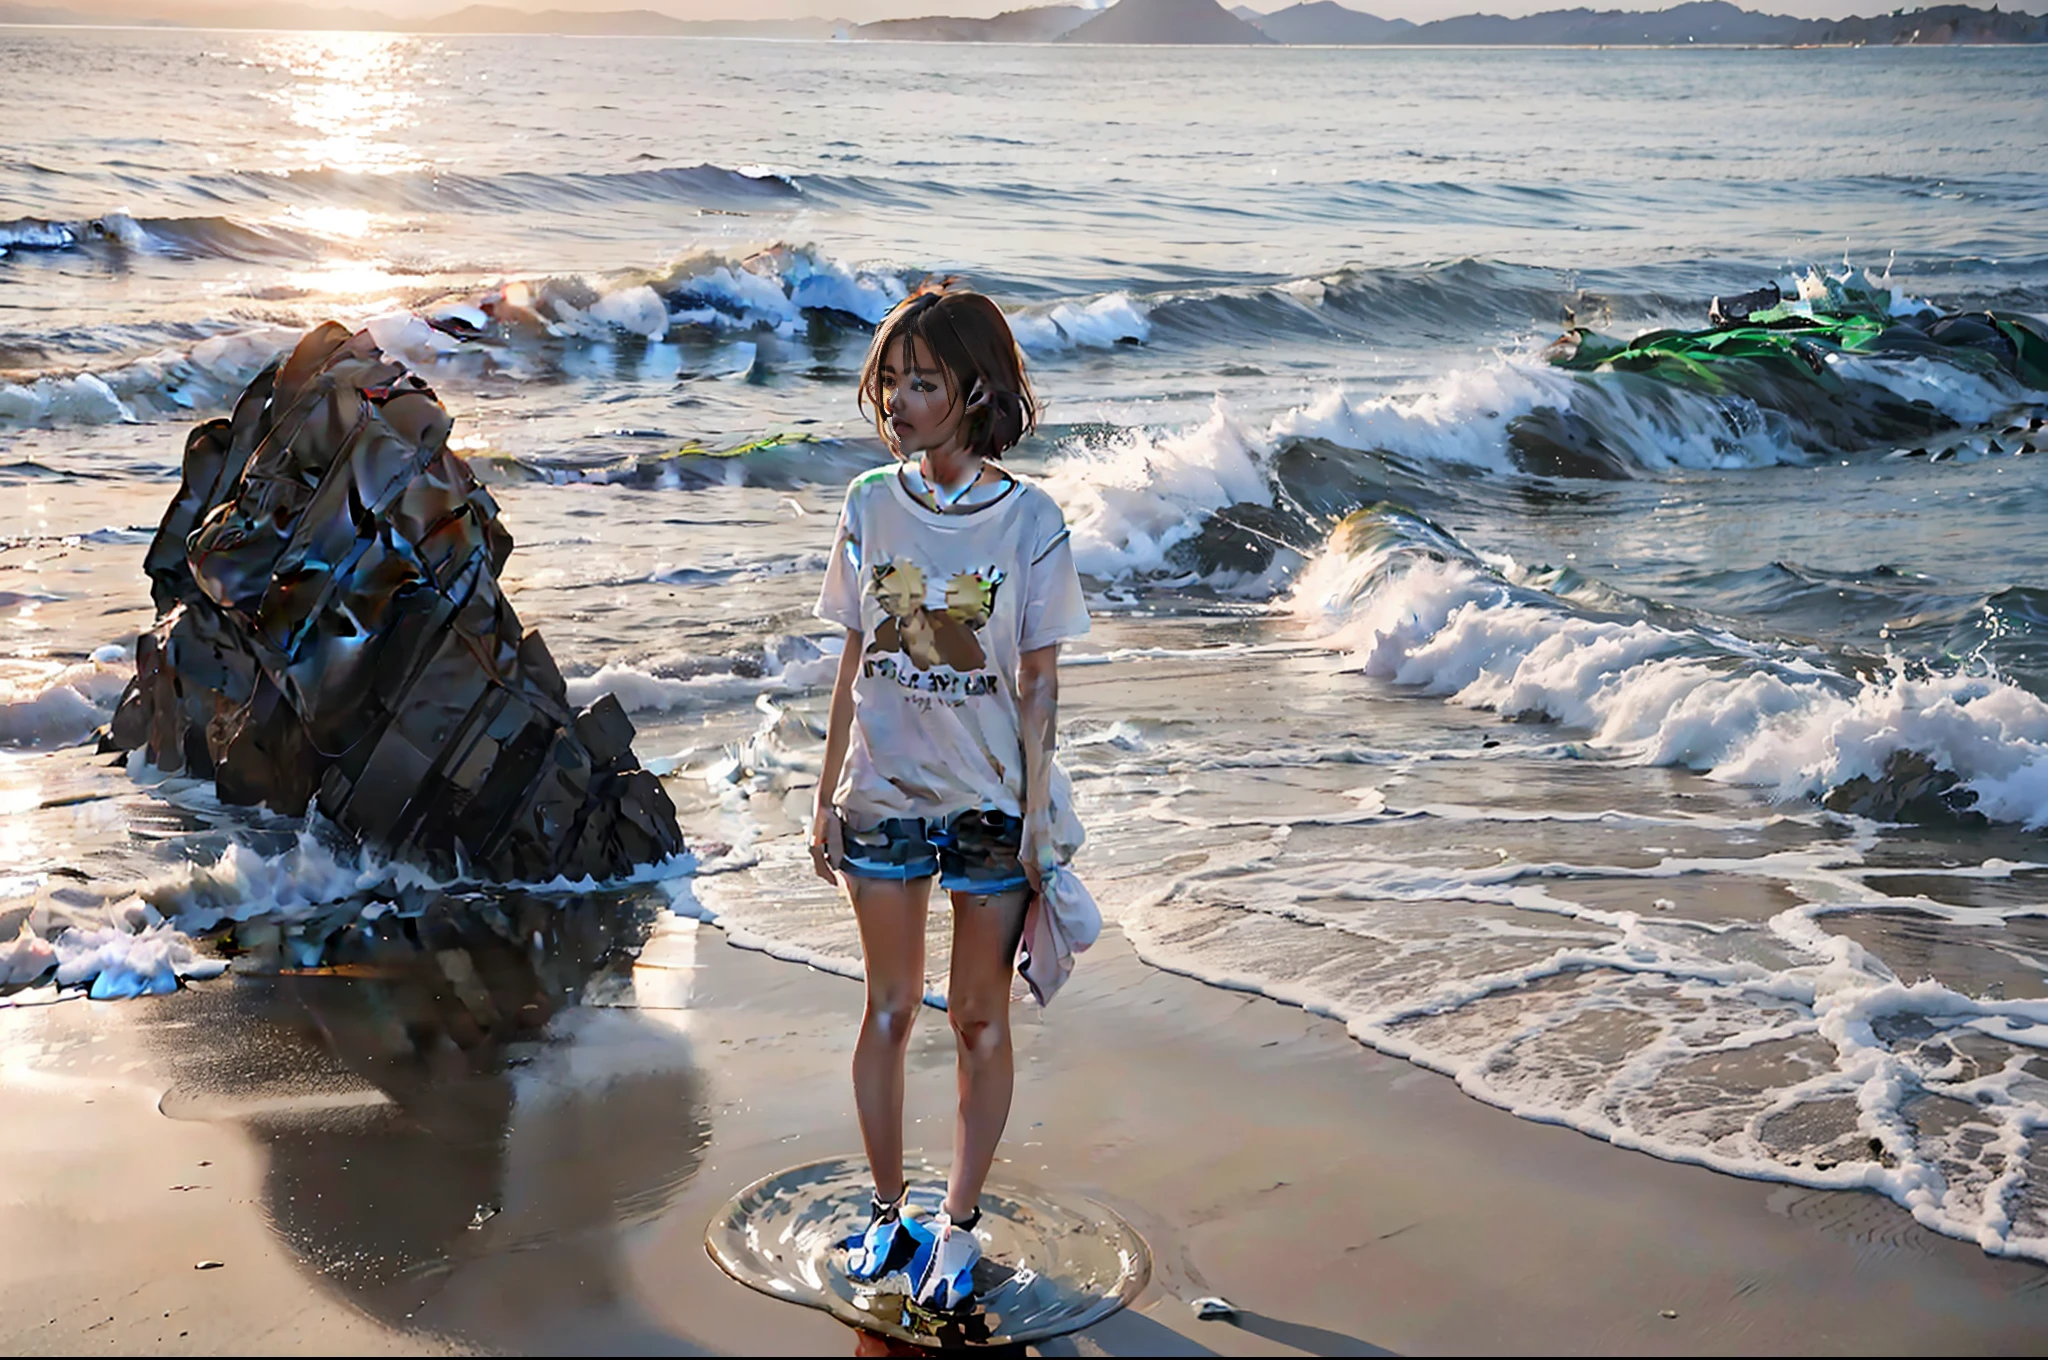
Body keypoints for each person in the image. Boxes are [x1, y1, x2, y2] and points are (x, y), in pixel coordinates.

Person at [809, 284, 1089, 1310]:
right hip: (882, 792)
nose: (897, 401)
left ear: (972, 390)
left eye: (920, 382)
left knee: (976, 1020)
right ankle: (889, 1217)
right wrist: (823, 790)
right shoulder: (866, 504)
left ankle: (958, 1228)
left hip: (989, 806)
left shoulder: (1032, 521)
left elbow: (1040, 682)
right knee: (885, 1008)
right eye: (889, 381)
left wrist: (1034, 827)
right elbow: (849, 660)